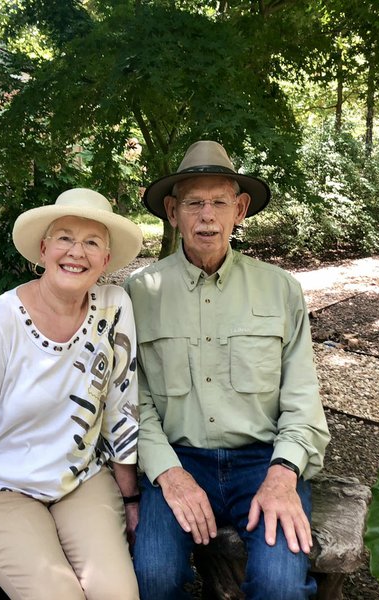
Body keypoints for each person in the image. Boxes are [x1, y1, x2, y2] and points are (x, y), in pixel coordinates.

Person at [124, 141, 330, 600]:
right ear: (173, 212)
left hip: (263, 461)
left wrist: (283, 475)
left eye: (219, 202)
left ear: (239, 210)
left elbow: (303, 399)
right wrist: (168, 474)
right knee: (152, 578)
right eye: (194, 203)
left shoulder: (280, 289)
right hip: (177, 459)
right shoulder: (140, 293)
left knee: (280, 586)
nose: (207, 216)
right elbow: (131, 400)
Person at [0, 188, 144, 600]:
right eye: (65, 237)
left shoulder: (115, 305)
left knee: (118, 594)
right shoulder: (0, 325)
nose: (76, 252)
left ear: (105, 259)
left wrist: (130, 496)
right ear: (44, 249)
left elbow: (122, 403)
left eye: (91, 242)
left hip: (81, 480)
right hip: (1, 490)